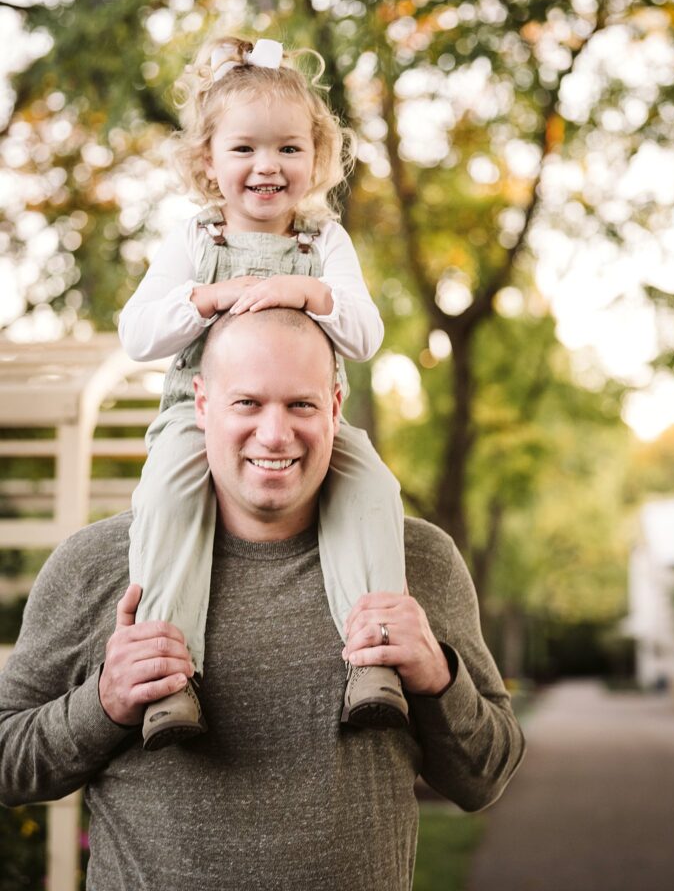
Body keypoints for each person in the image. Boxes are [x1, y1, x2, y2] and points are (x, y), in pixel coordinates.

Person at [0, 308, 525, 890]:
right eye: (247, 402)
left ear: (335, 406)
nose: (274, 434)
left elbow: (486, 777)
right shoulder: (96, 564)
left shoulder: (418, 561)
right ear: (200, 404)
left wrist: (437, 678)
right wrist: (102, 703)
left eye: (300, 404)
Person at [117, 35, 409, 749]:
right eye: (244, 149)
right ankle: (169, 677)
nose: (266, 166)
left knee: (373, 489)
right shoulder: (195, 240)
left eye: (287, 149)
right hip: (201, 419)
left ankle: (374, 660)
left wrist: (306, 292)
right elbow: (137, 334)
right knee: (165, 499)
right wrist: (211, 299)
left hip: (312, 425)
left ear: (315, 160)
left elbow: (365, 337)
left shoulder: (323, 244)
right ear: (208, 163)